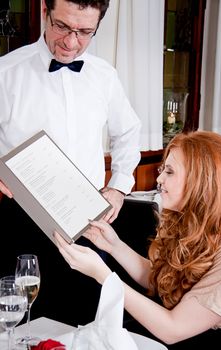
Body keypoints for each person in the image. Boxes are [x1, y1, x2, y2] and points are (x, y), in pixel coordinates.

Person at [0, 0, 141, 325]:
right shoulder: (7, 72)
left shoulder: (104, 75)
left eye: (85, 32)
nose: (71, 41)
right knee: (21, 322)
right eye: (62, 26)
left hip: (87, 224)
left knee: (87, 321)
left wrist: (118, 187)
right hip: (22, 221)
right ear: (45, 11)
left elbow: (129, 132)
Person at [54, 130, 221, 347]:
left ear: (201, 181)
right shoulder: (188, 221)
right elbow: (163, 280)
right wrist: (114, 246)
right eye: (161, 170)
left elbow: (174, 329)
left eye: (169, 172)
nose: (159, 179)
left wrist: (104, 276)